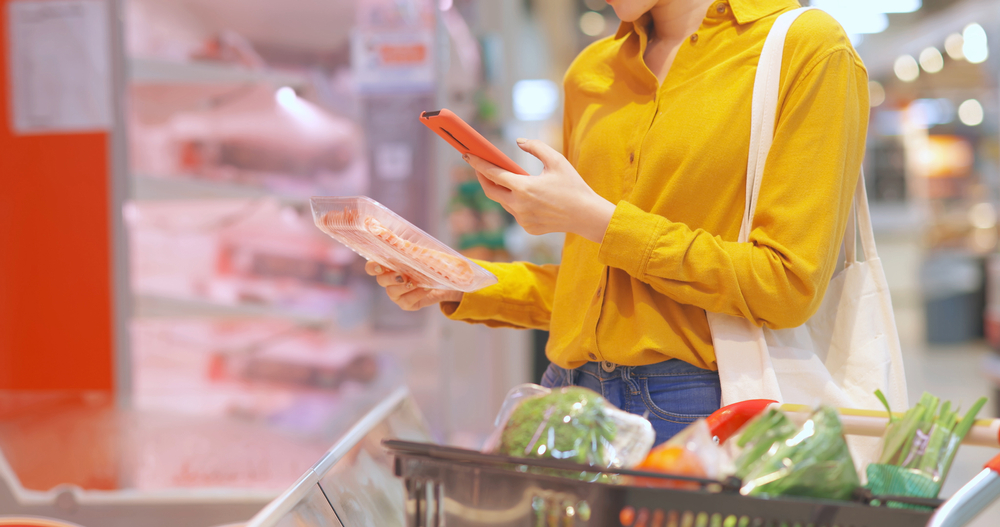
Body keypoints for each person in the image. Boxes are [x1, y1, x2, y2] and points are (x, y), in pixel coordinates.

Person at [366, 0, 868, 446]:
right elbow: (596, 290)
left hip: (705, 407)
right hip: (565, 393)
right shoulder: (591, 73)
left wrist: (599, 221)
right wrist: (457, 282)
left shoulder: (807, 48)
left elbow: (785, 283)